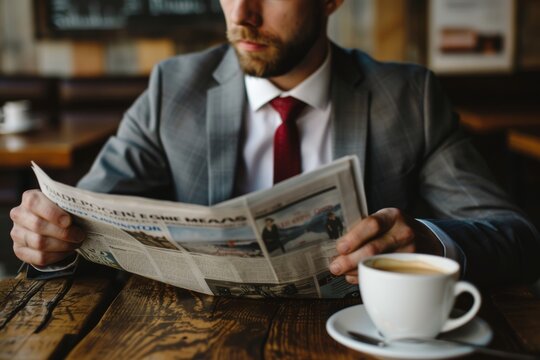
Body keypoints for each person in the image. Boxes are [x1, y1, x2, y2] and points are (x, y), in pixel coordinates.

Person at [9, 0, 540, 287]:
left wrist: (425, 242)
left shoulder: (409, 96)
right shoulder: (174, 89)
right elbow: (82, 219)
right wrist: (49, 242)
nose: (242, 15)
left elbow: (516, 236)